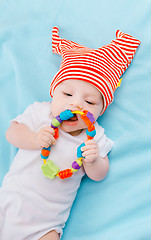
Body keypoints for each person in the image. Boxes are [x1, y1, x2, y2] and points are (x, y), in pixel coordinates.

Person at [0, 27, 140, 240]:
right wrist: (34, 139)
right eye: (67, 93)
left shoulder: (94, 137)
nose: (76, 103)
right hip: (9, 202)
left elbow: (100, 174)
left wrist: (92, 161)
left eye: (90, 102)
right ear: (53, 93)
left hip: (46, 225)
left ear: (100, 111)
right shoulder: (40, 112)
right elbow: (12, 133)